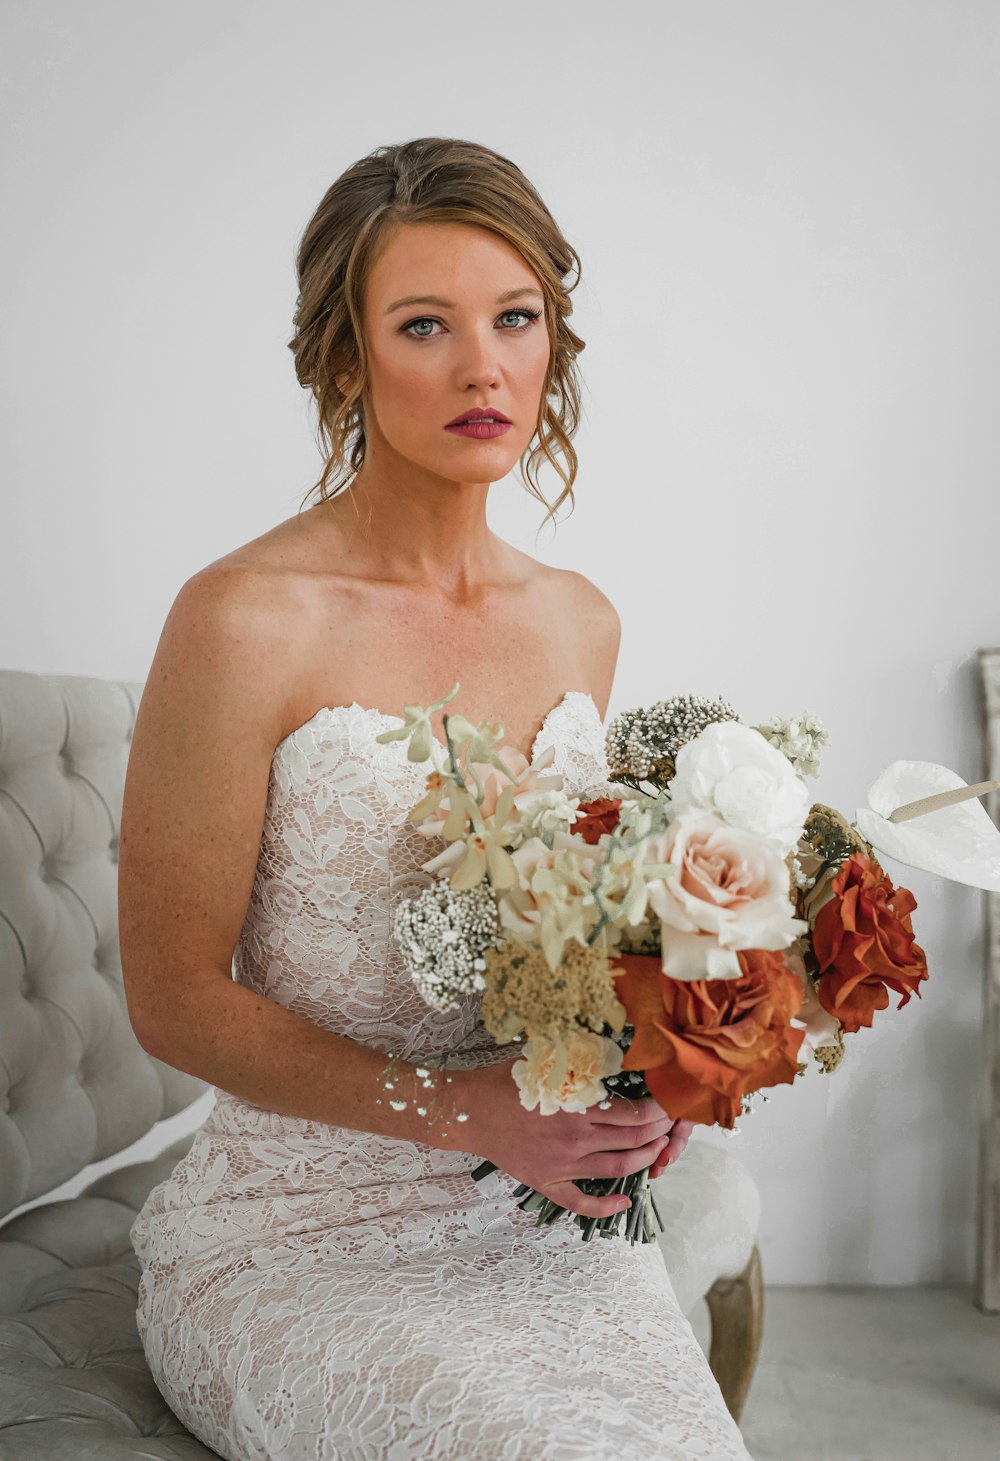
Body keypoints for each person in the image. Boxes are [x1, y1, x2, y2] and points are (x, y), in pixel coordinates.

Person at [122, 136, 754, 1461]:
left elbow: (575, 939)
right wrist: (474, 1115)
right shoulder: (241, 619)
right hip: (291, 1237)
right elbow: (173, 996)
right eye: (427, 325)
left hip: (537, 1215)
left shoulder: (581, 622)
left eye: (515, 318)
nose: (485, 366)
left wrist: (657, 1063)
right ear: (348, 360)